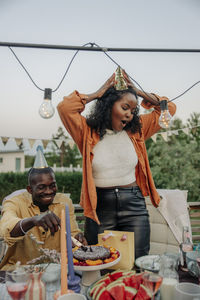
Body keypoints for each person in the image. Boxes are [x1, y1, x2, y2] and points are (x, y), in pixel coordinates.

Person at [57, 68, 176, 259]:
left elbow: (168, 108)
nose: (129, 114)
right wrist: (98, 93)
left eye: (133, 109)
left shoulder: (138, 129)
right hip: (100, 208)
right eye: (125, 107)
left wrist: (136, 92)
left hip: (134, 204)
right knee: (100, 262)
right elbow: (65, 108)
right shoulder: (86, 131)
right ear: (109, 105)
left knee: (139, 261)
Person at [0, 147, 87, 270]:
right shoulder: (14, 202)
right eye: (41, 187)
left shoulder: (64, 202)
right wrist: (34, 220)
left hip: (56, 270)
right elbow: (6, 230)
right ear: (30, 189)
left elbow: (72, 233)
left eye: (52, 186)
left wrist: (77, 238)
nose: (49, 191)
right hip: (19, 272)